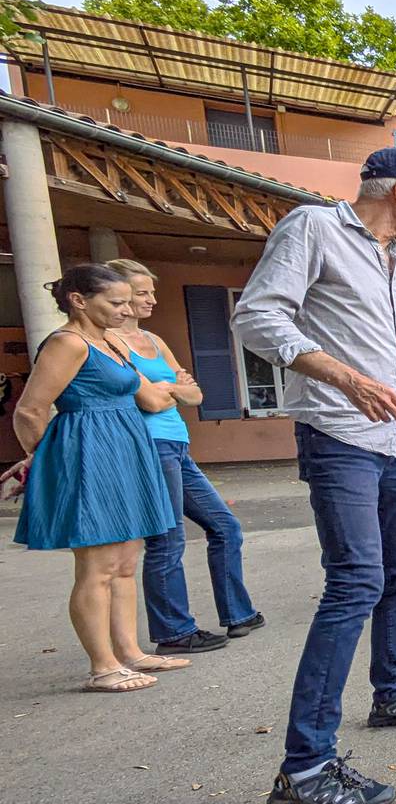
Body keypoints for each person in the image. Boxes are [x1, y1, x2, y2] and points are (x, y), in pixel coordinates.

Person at [233, 146, 396, 804]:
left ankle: (391, 693)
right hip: (339, 433)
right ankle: (305, 766)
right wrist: (347, 379)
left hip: (395, 439)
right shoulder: (314, 227)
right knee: (357, 580)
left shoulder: (391, 258)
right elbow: (256, 317)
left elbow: (377, 349)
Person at [7, 264, 184, 692]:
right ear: (79, 300)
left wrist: (174, 387)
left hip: (126, 445)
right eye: (117, 302)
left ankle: (130, 653)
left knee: (126, 561)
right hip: (89, 450)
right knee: (98, 565)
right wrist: (43, 458)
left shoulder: (107, 342)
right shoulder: (67, 343)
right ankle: (102, 666)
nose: (127, 310)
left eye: (128, 301)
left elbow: (154, 396)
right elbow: (30, 410)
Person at [105, 259, 263, 654]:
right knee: (167, 540)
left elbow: (195, 395)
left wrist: (169, 388)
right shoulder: (109, 343)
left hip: (178, 444)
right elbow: (152, 399)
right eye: (141, 293)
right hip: (148, 447)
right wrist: (169, 388)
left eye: (150, 292)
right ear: (119, 297)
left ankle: (238, 614)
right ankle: (174, 633)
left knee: (225, 527)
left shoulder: (154, 341)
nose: (150, 300)